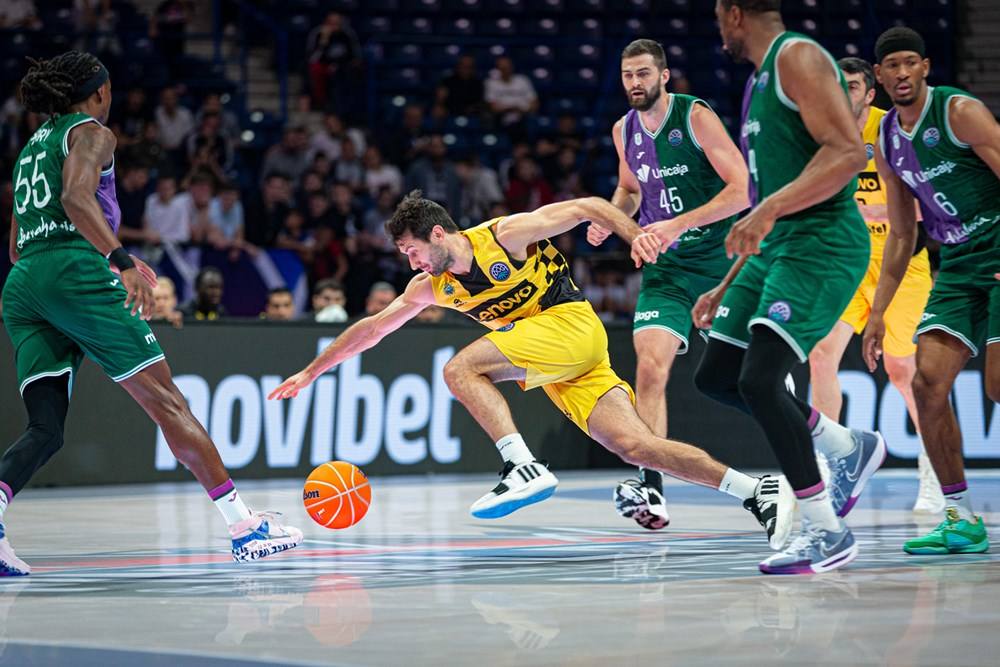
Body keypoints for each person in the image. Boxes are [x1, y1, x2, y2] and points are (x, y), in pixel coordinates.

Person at [270, 190, 795, 555]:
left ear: (436, 233)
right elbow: (372, 329)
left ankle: (521, 466)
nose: (410, 263)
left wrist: (637, 236)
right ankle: (756, 492)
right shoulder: (432, 286)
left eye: (411, 251)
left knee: (460, 369)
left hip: (570, 325)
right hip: (565, 363)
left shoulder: (504, 236)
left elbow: (587, 207)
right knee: (637, 447)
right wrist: (314, 371)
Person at [0, 52, 301, 576]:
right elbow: (75, 197)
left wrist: (92, 252)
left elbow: (16, 244)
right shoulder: (91, 132)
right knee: (168, 401)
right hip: (74, 275)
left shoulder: (31, 147)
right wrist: (116, 261)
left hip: (23, 284)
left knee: (45, 428)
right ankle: (244, 526)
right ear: (97, 94)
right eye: (109, 91)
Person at [691, 1, 886, 574]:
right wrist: (721, 285)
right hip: (775, 246)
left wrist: (769, 207)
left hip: (821, 243)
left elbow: (850, 153)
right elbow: (764, 200)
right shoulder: (756, 84)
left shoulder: (797, 57)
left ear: (731, 13)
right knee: (717, 375)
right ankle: (844, 445)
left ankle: (828, 532)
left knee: (759, 378)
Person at [587, 39, 749, 531]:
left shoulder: (695, 117)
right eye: (627, 75)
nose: (634, 83)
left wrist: (679, 223)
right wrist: (612, 218)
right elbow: (632, 191)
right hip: (667, 271)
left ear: (664, 75)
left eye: (642, 74)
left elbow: (743, 190)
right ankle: (652, 487)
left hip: (720, 264)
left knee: (750, 378)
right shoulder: (623, 130)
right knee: (650, 365)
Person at [863, 27, 1000, 555]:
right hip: (958, 263)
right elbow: (902, 232)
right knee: (926, 385)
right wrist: (878, 314)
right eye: (890, 66)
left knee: (996, 387)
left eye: (908, 64)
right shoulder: (887, 140)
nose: (900, 74)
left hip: (998, 246)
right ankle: (961, 517)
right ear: (880, 76)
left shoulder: (960, 112)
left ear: (924, 67)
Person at [806, 56, 943, 514]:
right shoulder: (821, 132)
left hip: (901, 265)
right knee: (821, 353)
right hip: (845, 262)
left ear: (870, 94)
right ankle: (826, 466)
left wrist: (875, 214)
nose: (842, 95)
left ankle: (934, 469)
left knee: (906, 373)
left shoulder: (895, 133)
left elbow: (931, 207)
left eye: (852, 87)